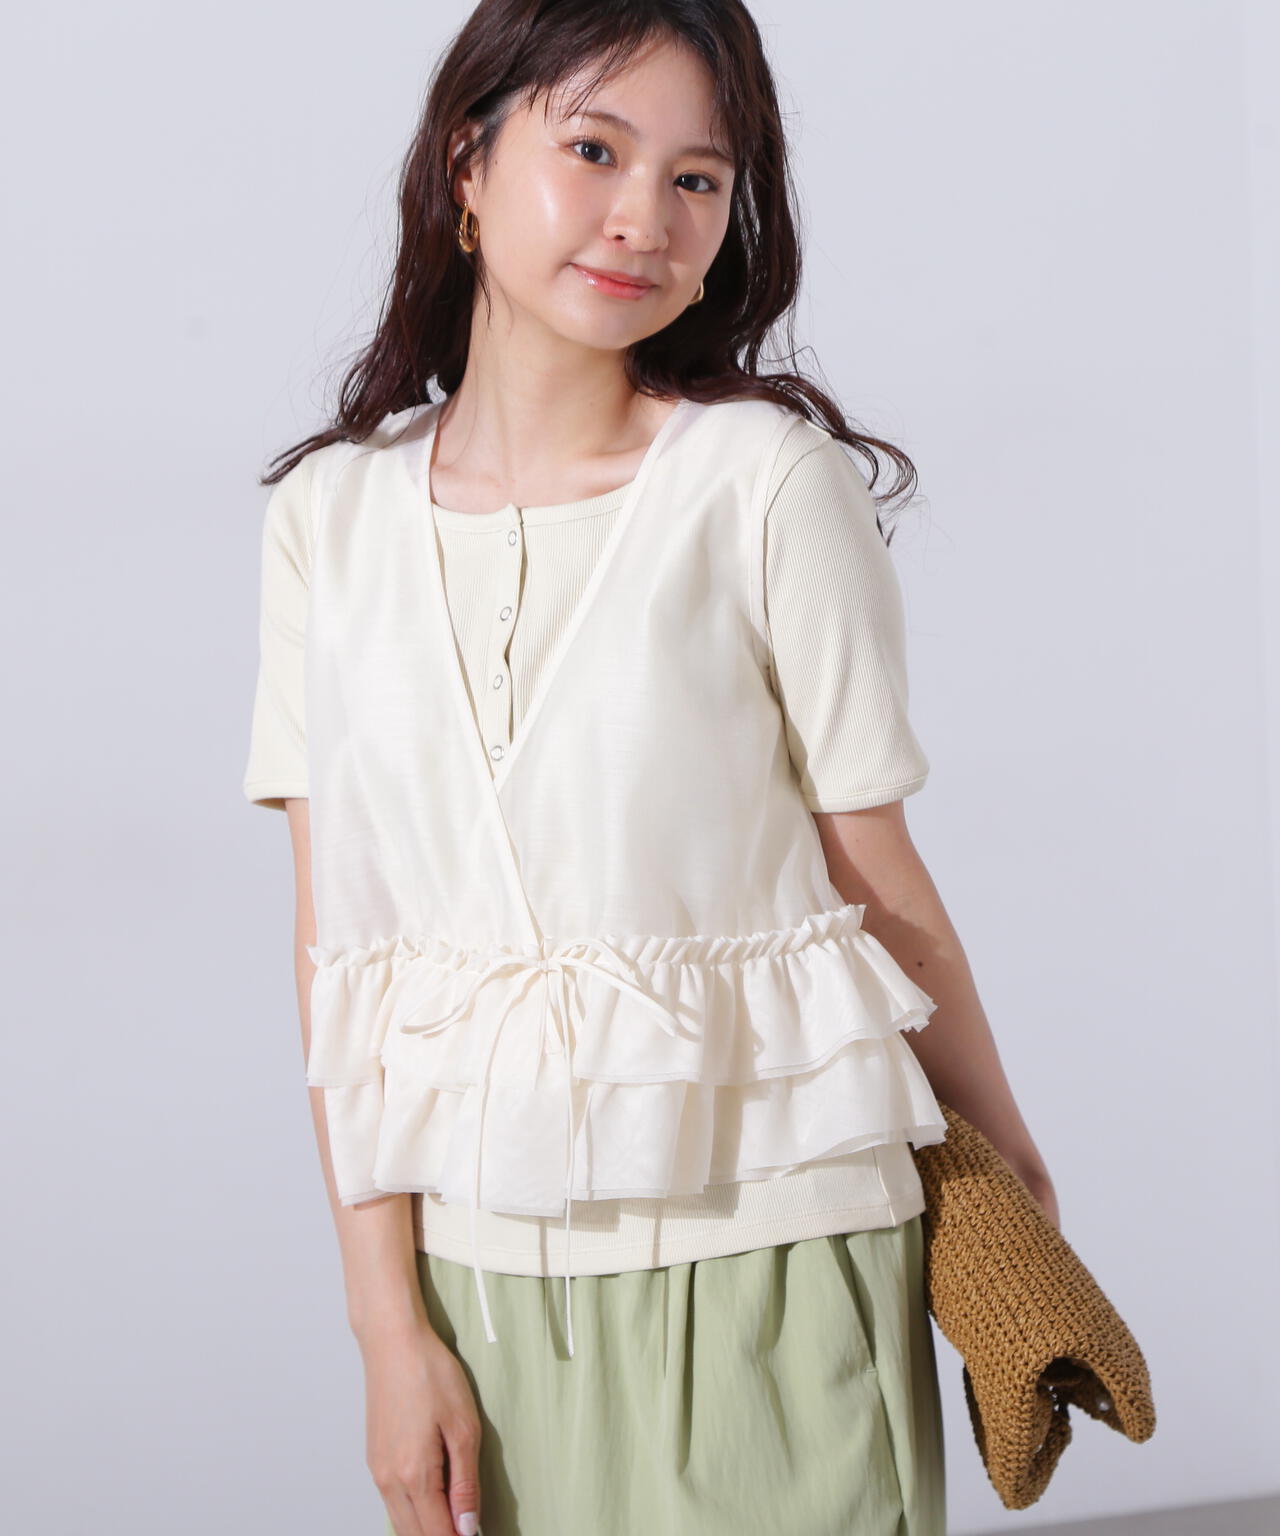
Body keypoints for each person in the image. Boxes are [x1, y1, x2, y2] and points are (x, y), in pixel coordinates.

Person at [242, 3, 1060, 1533]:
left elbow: (874, 875)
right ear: (468, 164)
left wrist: (1007, 1166)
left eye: (699, 178)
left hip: (785, 1254)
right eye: (595, 151)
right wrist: (385, 1330)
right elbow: (343, 952)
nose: (646, 218)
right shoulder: (327, 524)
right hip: (481, 1280)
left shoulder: (764, 484)